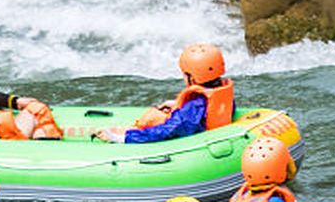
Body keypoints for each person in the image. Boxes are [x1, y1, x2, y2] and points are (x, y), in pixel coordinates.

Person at [100, 43, 234, 143]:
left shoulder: (193, 109)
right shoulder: (220, 90)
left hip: (191, 136)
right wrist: (178, 105)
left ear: (192, 77)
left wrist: (122, 138)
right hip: (204, 127)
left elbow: (167, 131)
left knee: (152, 117)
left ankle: (127, 131)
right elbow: (204, 110)